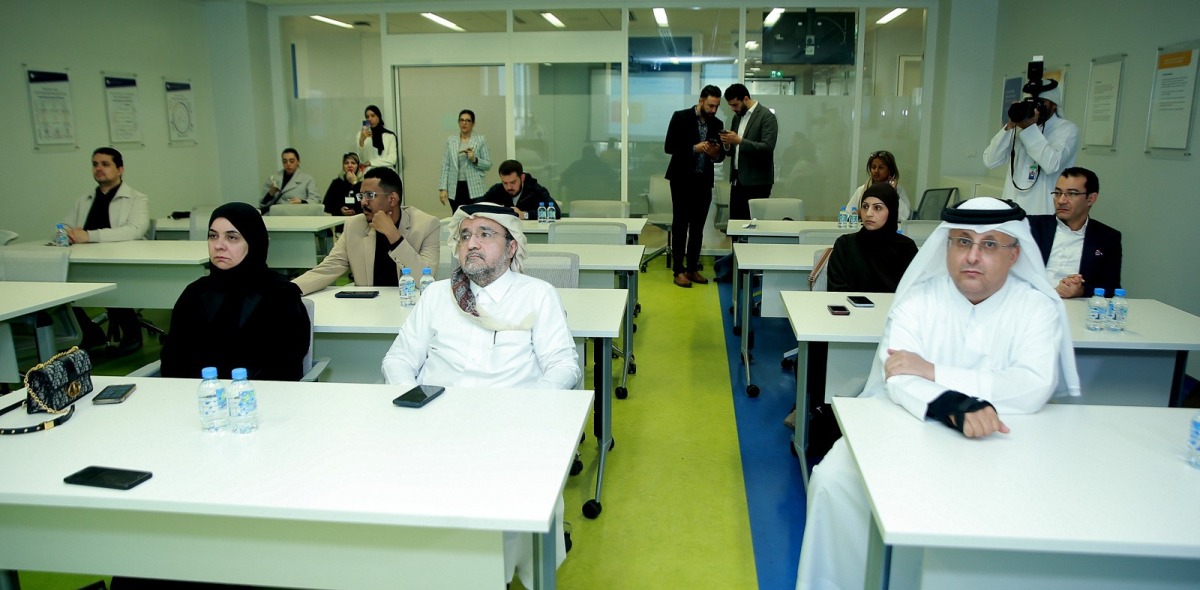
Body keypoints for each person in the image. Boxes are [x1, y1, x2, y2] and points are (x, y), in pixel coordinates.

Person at [796, 197, 1080, 590]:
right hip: (905, 422)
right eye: (962, 242)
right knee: (832, 480)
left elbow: (1032, 386)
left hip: (999, 437)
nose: (973, 256)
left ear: (1014, 254)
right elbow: (896, 377)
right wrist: (948, 405)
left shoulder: (1036, 308)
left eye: (990, 245)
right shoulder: (918, 298)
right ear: (947, 246)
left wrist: (933, 372)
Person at [381, 202, 579, 588]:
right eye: (465, 236)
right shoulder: (437, 295)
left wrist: (527, 408)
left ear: (511, 248)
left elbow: (563, 365)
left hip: (510, 428)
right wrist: (413, 402)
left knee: (502, 514)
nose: (472, 243)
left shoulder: (538, 295)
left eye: (486, 235)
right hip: (435, 423)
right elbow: (399, 359)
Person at [160, 202, 310, 381]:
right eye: (213, 236)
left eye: (232, 238)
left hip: (261, 399)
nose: (218, 245)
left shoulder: (280, 294)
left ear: (253, 242)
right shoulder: (195, 294)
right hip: (200, 399)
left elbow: (285, 367)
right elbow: (173, 360)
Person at [293, 167, 440, 296]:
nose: (363, 202)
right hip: (367, 310)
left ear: (392, 199)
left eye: (370, 195)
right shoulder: (354, 225)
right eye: (361, 196)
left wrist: (393, 235)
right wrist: (289, 289)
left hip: (409, 307)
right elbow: (328, 268)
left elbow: (424, 280)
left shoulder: (426, 225)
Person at [63, 147, 150, 355]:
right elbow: (66, 224)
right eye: (95, 164)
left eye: (105, 164)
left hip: (122, 258)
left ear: (120, 169)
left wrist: (90, 236)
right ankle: (89, 332)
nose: (99, 169)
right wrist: (65, 233)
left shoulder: (136, 198)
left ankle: (132, 332)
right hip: (85, 258)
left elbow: (136, 230)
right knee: (62, 287)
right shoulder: (85, 199)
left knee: (113, 284)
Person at [982, 83, 1080, 215]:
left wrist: (1029, 129)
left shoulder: (1067, 129)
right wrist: (1010, 125)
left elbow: (1052, 164)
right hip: (1012, 211)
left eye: (1040, 103)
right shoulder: (1019, 125)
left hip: (1042, 211)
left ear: (1054, 104)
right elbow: (990, 161)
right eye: (1030, 103)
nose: (1035, 108)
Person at [1028, 167, 1122, 298]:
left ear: (1091, 198)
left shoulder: (1107, 238)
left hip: (1074, 308)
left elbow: (1112, 288)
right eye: (1057, 193)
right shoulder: (1032, 227)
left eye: (1071, 194)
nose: (1061, 200)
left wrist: (1081, 291)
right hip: (1032, 301)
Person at [664, 85, 725, 288]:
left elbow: (721, 155)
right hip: (681, 180)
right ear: (701, 101)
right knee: (680, 226)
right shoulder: (680, 117)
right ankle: (678, 270)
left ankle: (692, 268)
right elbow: (669, 147)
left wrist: (715, 153)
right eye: (710, 105)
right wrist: (694, 148)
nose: (713, 110)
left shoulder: (717, 123)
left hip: (703, 181)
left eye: (716, 106)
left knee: (698, 228)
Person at [828, 183, 919, 293]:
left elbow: (914, 292)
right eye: (865, 207)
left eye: (877, 208)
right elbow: (836, 289)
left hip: (893, 309)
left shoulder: (906, 248)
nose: (869, 213)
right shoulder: (845, 245)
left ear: (891, 211)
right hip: (852, 308)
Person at [720, 83, 778, 222]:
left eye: (735, 105)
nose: (733, 109)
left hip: (757, 183)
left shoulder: (766, 116)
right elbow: (735, 148)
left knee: (753, 225)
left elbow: (767, 148)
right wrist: (727, 144)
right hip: (737, 180)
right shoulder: (737, 117)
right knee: (735, 224)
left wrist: (739, 140)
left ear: (745, 99)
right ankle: (735, 245)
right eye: (731, 105)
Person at [438, 109, 492, 212]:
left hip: (474, 187)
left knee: (475, 217)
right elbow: (445, 165)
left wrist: (475, 159)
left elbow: (488, 164)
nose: (464, 123)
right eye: (462, 120)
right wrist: (443, 189)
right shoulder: (451, 140)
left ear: (473, 123)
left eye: (468, 120)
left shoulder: (480, 140)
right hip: (455, 187)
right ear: (458, 122)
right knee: (458, 217)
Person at [479, 159, 560, 220]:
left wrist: (525, 215)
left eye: (513, 182)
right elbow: (477, 207)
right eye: (505, 183)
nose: (509, 187)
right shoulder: (497, 190)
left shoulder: (535, 190)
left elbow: (556, 212)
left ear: (522, 178)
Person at [842, 150, 911, 221]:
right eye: (873, 167)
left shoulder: (898, 190)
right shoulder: (862, 190)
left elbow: (903, 217)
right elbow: (846, 215)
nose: (876, 171)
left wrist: (893, 192)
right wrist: (858, 213)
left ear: (890, 170)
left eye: (881, 167)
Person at [260, 148, 319, 212]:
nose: (288, 164)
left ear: (298, 161)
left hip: (297, 214)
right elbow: (262, 204)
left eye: (291, 161)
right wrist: (270, 194)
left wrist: (302, 202)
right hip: (275, 214)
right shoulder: (273, 178)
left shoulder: (308, 179)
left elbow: (316, 200)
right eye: (285, 161)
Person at [355, 104, 398, 173]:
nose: (370, 119)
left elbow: (392, 159)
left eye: (373, 115)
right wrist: (362, 140)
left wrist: (371, 162)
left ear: (379, 116)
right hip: (369, 172)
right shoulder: (361, 135)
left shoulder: (389, 136)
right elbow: (362, 160)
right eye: (367, 117)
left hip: (387, 173)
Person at [321, 152, 363, 216]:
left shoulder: (364, 182)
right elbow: (326, 206)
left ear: (358, 166)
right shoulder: (336, 183)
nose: (349, 165)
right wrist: (340, 209)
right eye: (346, 163)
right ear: (343, 166)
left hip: (359, 218)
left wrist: (355, 183)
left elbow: (364, 203)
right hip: (340, 220)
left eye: (353, 163)